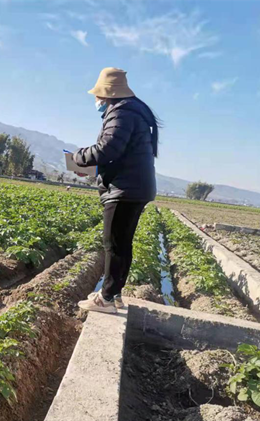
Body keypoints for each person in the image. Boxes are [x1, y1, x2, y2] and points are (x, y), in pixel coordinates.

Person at [73, 67, 159, 314]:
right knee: (122, 244)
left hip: (125, 188)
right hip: (135, 186)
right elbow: (119, 153)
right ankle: (114, 294)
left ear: (107, 94)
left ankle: (107, 299)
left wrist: (80, 157)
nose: (96, 100)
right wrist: (94, 168)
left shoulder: (121, 113)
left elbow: (106, 149)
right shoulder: (134, 113)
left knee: (113, 244)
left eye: (98, 95)